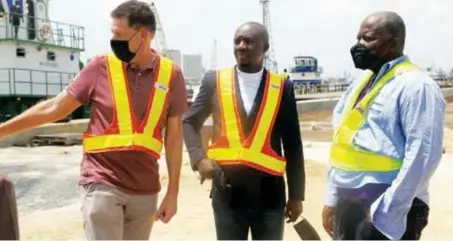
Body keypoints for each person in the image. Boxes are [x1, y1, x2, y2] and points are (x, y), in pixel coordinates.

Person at [0, 0, 187, 240]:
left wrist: (173, 192)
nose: (114, 41)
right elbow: (54, 108)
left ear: (143, 35)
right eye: (112, 33)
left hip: (145, 190)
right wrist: (2, 130)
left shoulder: (172, 75)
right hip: (102, 181)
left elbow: (173, 137)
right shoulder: (100, 67)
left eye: (119, 34)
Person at [322, 11, 445, 240]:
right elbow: (342, 146)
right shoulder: (360, 84)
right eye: (358, 38)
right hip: (350, 203)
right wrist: (333, 198)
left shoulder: (416, 86)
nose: (359, 45)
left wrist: (387, 213)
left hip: (387, 206)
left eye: (368, 39)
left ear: (394, 43)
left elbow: (422, 156)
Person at [183, 22, 305, 240]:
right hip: (227, 193)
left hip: (270, 195)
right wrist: (198, 159)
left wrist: (297, 195)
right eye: (237, 41)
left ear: (265, 48)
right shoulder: (215, 81)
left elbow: (293, 144)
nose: (241, 46)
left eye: (248, 41)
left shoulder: (282, 87)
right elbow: (189, 121)